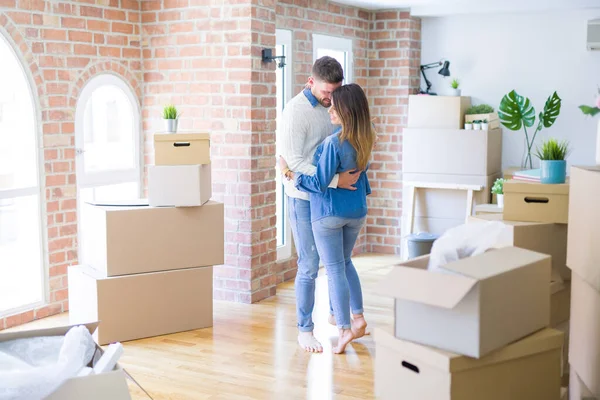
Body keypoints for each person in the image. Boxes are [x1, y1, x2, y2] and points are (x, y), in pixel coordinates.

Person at [279, 83, 375, 354]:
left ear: (347, 111)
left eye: (336, 106)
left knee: (333, 269)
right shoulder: (367, 137)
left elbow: (319, 182)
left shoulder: (333, 143)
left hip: (329, 214)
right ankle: (358, 317)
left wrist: (288, 172)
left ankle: (344, 329)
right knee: (345, 264)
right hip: (356, 210)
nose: (330, 109)